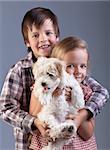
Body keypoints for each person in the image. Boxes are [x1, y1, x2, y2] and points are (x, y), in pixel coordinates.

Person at [0, 7, 109, 150]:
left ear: (57, 36)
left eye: (48, 33)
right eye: (35, 35)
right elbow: (5, 108)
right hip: (32, 143)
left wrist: (83, 113)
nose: (43, 39)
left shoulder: (66, 65)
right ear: (27, 41)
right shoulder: (20, 70)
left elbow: (101, 91)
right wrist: (34, 122)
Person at [29, 36, 109, 150]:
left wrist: (75, 111)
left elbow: (87, 134)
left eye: (83, 66)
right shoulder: (40, 86)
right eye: (70, 66)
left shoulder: (85, 92)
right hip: (48, 143)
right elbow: (34, 116)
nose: (78, 71)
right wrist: (49, 96)